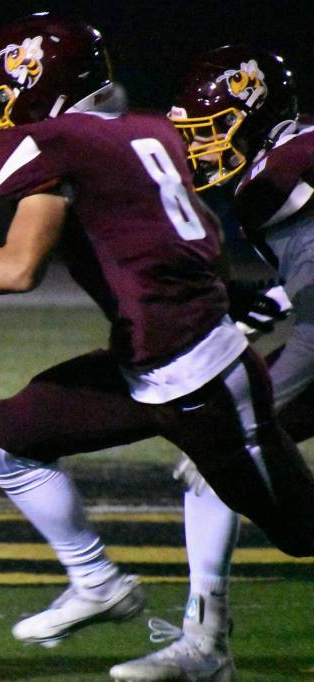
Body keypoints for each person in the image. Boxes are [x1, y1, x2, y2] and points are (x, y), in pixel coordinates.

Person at [0, 11, 314, 666]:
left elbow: (18, 268)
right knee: (5, 439)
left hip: (201, 372)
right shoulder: (147, 132)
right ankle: (98, 582)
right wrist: (245, 302)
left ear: (35, 85)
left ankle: (205, 646)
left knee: (299, 530)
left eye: (4, 93)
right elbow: (194, 247)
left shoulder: (57, 143)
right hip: (149, 359)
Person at [110, 46, 314, 682]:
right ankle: (205, 639)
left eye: (210, 130)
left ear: (255, 115)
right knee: (216, 450)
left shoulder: (280, 174)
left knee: (220, 441)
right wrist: (278, 298)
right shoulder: (293, 154)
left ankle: (206, 644)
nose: (198, 149)